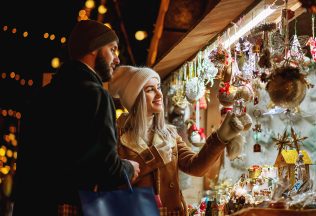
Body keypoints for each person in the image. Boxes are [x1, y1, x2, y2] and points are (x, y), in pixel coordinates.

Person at [12, 20, 140, 216]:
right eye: (112, 49)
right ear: (93, 49)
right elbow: (107, 167)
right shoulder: (96, 95)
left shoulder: (40, 97)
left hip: (32, 206)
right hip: (72, 208)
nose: (117, 59)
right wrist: (129, 168)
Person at [108, 65, 243, 216]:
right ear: (135, 97)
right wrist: (153, 158)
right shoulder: (115, 136)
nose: (159, 94)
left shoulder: (170, 133)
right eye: (150, 89)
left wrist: (220, 138)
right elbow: (111, 183)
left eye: (158, 87)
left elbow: (195, 167)